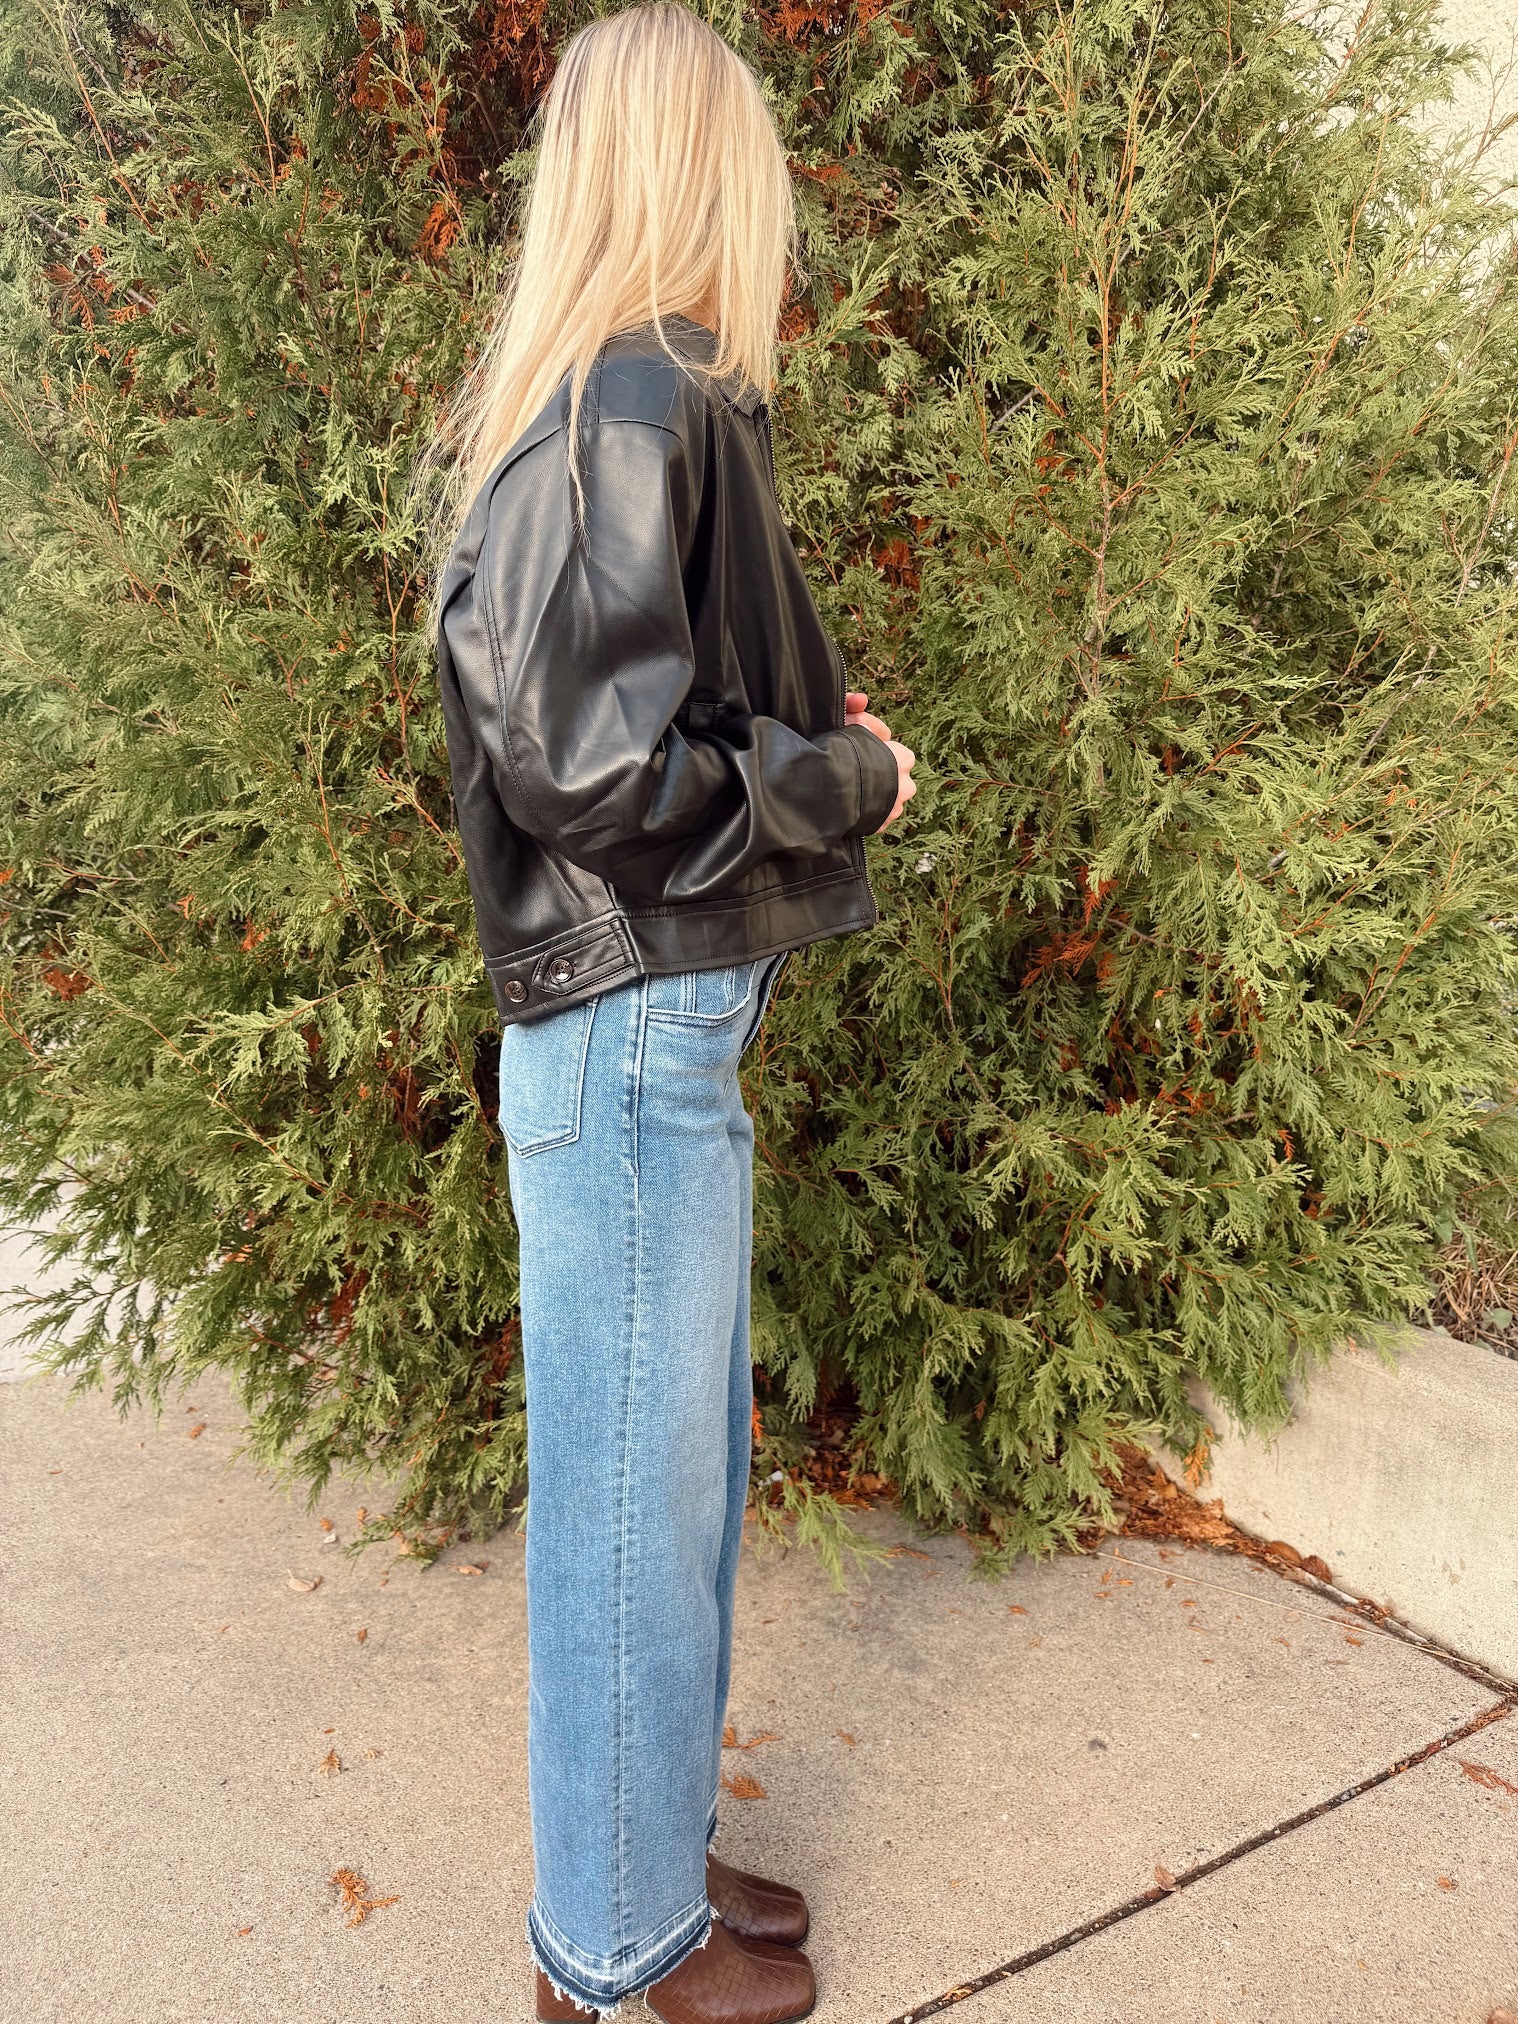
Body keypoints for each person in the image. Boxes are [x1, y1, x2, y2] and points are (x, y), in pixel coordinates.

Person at [424, 6, 916, 2017]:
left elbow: (639, 712)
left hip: (648, 1030)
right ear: (705, 165)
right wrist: (844, 777)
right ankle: (609, 1943)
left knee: (670, 1483)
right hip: (632, 1029)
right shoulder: (634, 396)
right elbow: (599, 774)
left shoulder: (625, 396)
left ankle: (644, 1845)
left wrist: (807, 731)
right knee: (636, 1500)